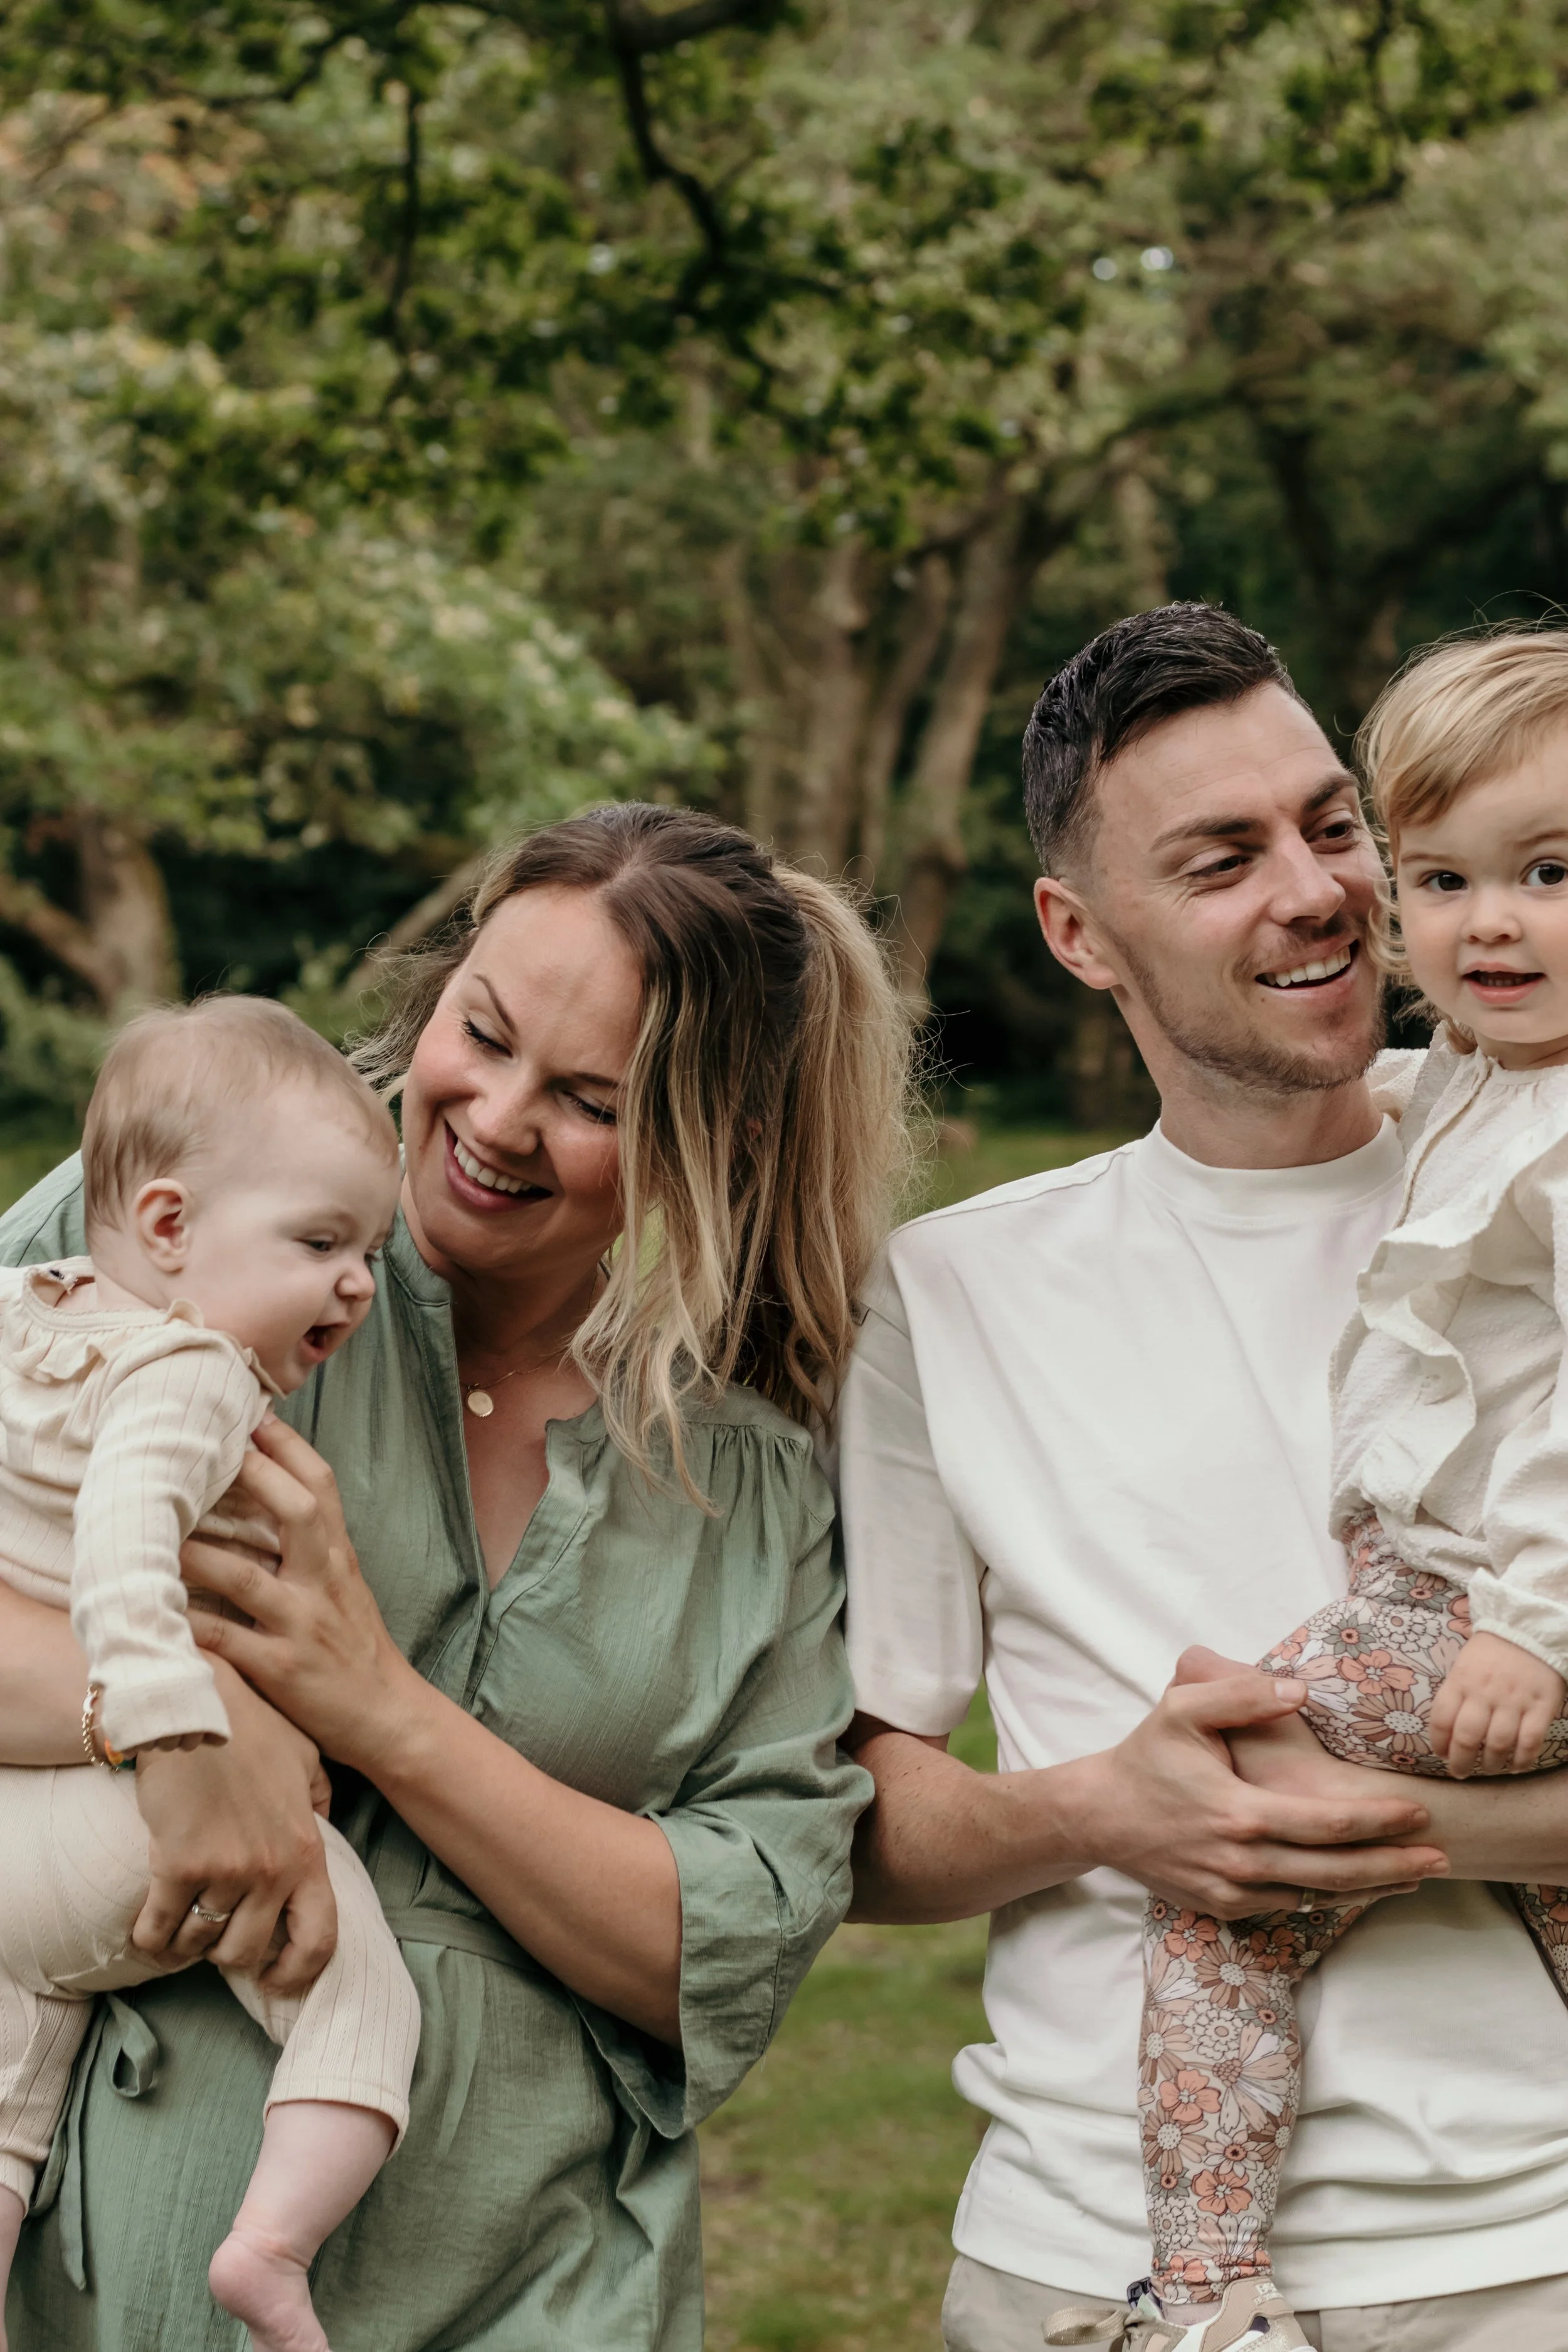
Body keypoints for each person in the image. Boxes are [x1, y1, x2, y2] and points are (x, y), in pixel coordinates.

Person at [0, 802, 909, 2352]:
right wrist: (173, 1721)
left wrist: (379, 1713)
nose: (492, 1117)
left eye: (587, 1100)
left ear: (712, 1139)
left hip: (548, 2287)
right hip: (118, 2268)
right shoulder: (180, 1252)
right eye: (477, 1034)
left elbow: (726, 1941)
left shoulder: (743, 1478)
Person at [840, 605, 1568, 2352]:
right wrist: (1106, 1808)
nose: (1315, 889)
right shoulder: (949, 1294)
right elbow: (857, 1830)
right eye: (1219, 856)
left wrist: (1381, 1835)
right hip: (1097, 2261)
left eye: (1330, 825)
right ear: (1077, 933)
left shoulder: (1523, 1178)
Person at [1119, 631, 1568, 2352]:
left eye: (1548, 873)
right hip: (1475, 1595)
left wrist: (1531, 1621)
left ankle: (1206, 2276)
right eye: (1440, 878)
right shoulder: (1473, 1079)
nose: (1487, 925)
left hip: (1476, 1605)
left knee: (1231, 1822)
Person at [0, 996, 420, 2352]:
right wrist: (184, 1746)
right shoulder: (190, 1373)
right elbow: (125, 1561)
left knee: (8, 2102)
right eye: (320, 1242)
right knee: (352, 1970)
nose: (358, 1284)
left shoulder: (25, 1313)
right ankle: (272, 2251)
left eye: (369, 1249)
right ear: (172, 1230)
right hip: (124, 1812)